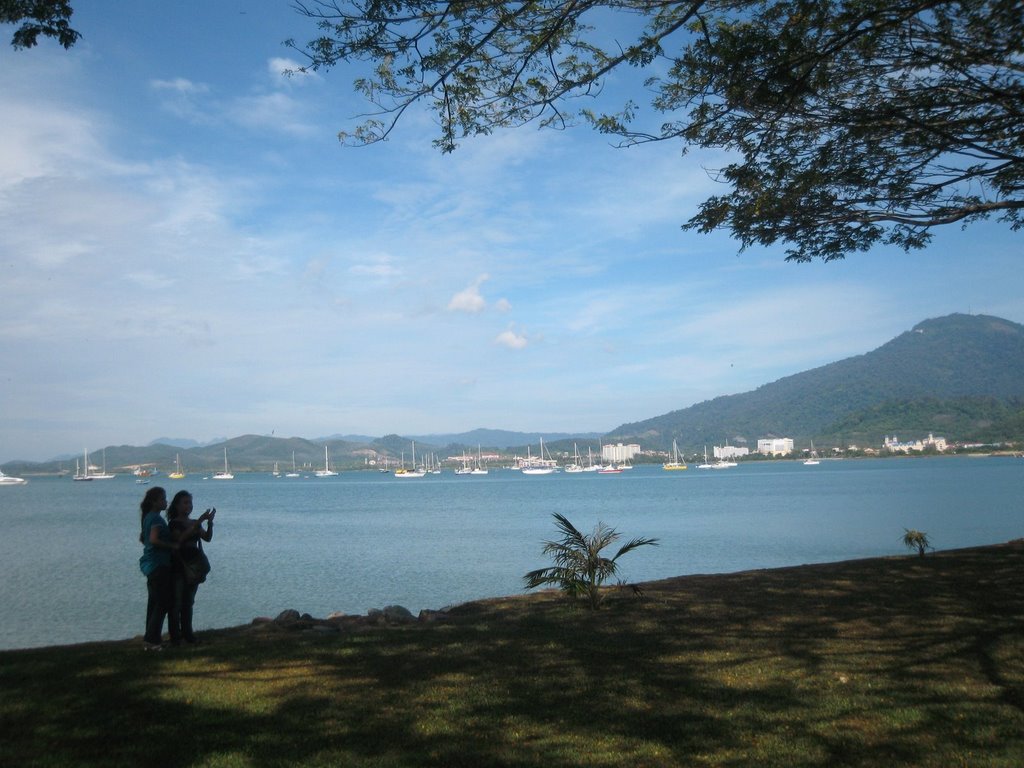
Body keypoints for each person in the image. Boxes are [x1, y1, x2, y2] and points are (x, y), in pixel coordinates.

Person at [166, 490, 214, 645]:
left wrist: (209, 523)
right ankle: (175, 637)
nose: (189, 506)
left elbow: (207, 538)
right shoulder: (174, 523)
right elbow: (179, 539)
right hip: (179, 566)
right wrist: (199, 522)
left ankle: (188, 634)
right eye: (185, 503)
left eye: (190, 503)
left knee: (188, 602)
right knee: (176, 603)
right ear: (177, 505)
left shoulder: (194, 522)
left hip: (193, 566)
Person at [138, 486, 177, 650]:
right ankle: (152, 640)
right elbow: (153, 540)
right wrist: (171, 546)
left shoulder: (149, 517)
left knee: (154, 603)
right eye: (162, 499)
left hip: (151, 564)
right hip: (158, 564)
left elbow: (146, 539)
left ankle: (151, 638)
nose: (166, 501)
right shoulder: (155, 519)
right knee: (162, 602)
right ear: (154, 502)